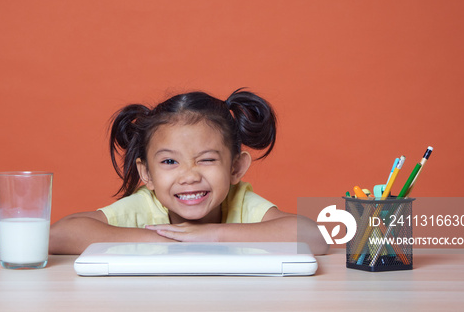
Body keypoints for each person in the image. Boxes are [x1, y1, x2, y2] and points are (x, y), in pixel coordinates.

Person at [49, 89, 328, 255]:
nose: (189, 176)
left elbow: (313, 236)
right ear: (146, 174)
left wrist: (212, 235)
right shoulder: (146, 206)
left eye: (206, 160)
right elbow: (58, 235)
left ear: (236, 168)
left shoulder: (240, 202)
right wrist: (172, 238)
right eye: (170, 162)